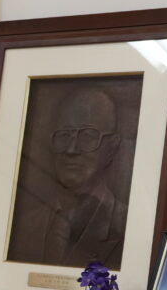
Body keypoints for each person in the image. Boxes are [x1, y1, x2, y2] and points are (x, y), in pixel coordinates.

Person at [7, 87, 128, 268]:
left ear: (112, 146)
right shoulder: (23, 225)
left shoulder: (126, 224)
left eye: (87, 135)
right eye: (64, 135)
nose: (71, 149)